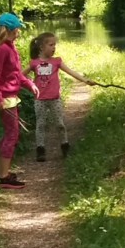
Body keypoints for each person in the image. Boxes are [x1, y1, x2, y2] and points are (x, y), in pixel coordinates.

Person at [27, 31, 92, 161]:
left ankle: (65, 146)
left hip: (55, 99)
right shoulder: (34, 63)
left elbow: (71, 72)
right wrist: (26, 84)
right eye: (51, 45)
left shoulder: (56, 61)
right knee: (41, 125)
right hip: (40, 100)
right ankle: (40, 150)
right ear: (42, 47)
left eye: (54, 45)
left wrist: (85, 80)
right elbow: (21, 76)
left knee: (60, 124)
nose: (54, 48)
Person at [0, 12, 34, 189]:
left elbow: (16, 74)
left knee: (9, 133)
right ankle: (4, 177)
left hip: (11, 97)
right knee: (12, 134)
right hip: (4, 99)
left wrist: (30, 84)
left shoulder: (11, 48)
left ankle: (0, 170)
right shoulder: (2, 49)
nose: (18, 32)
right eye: (16, 29)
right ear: (8, 30)